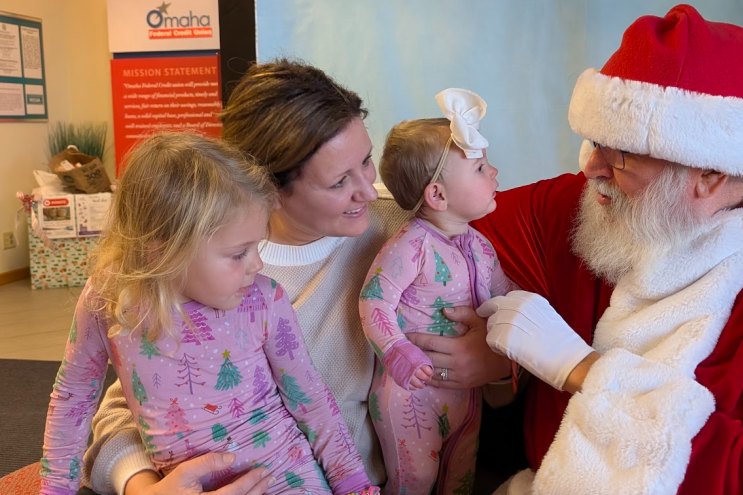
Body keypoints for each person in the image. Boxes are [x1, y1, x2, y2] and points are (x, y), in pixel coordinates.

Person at [467, 5, 743, 494]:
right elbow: (444, 233)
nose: (591, 168)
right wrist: (501, 363)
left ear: (711, 174)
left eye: (620, 153)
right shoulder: (584, 208)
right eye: (593, 141)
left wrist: (582, 370)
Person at [80, 60, 513, 495]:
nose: (368, 190)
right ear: (268, 189)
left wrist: (498, 365)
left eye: (366, 161)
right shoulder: (216, 272)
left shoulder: (411, 228)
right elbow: (123, 409)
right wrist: (141, 486)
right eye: (339, 182)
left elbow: (507, 331)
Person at [41, 133, 376, 495]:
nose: (257, 264)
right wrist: (55, 489)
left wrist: (355, 485)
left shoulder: (264, 299)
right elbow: (74, 396)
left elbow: (311, 399)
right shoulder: (108, 297)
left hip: (285, 476)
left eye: (256, 246)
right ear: (162, 252)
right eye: (239, 253)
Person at [360, 89, 517, 495]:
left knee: (460, 477)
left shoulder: (481, 246)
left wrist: (527, 320)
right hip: (411, 394)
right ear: (438, 195)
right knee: (416, 480)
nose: (494, 171)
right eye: (480, 167)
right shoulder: (410, 246)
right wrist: (395, 350)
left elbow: (506, 297)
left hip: (467, 393)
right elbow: (374, 301)